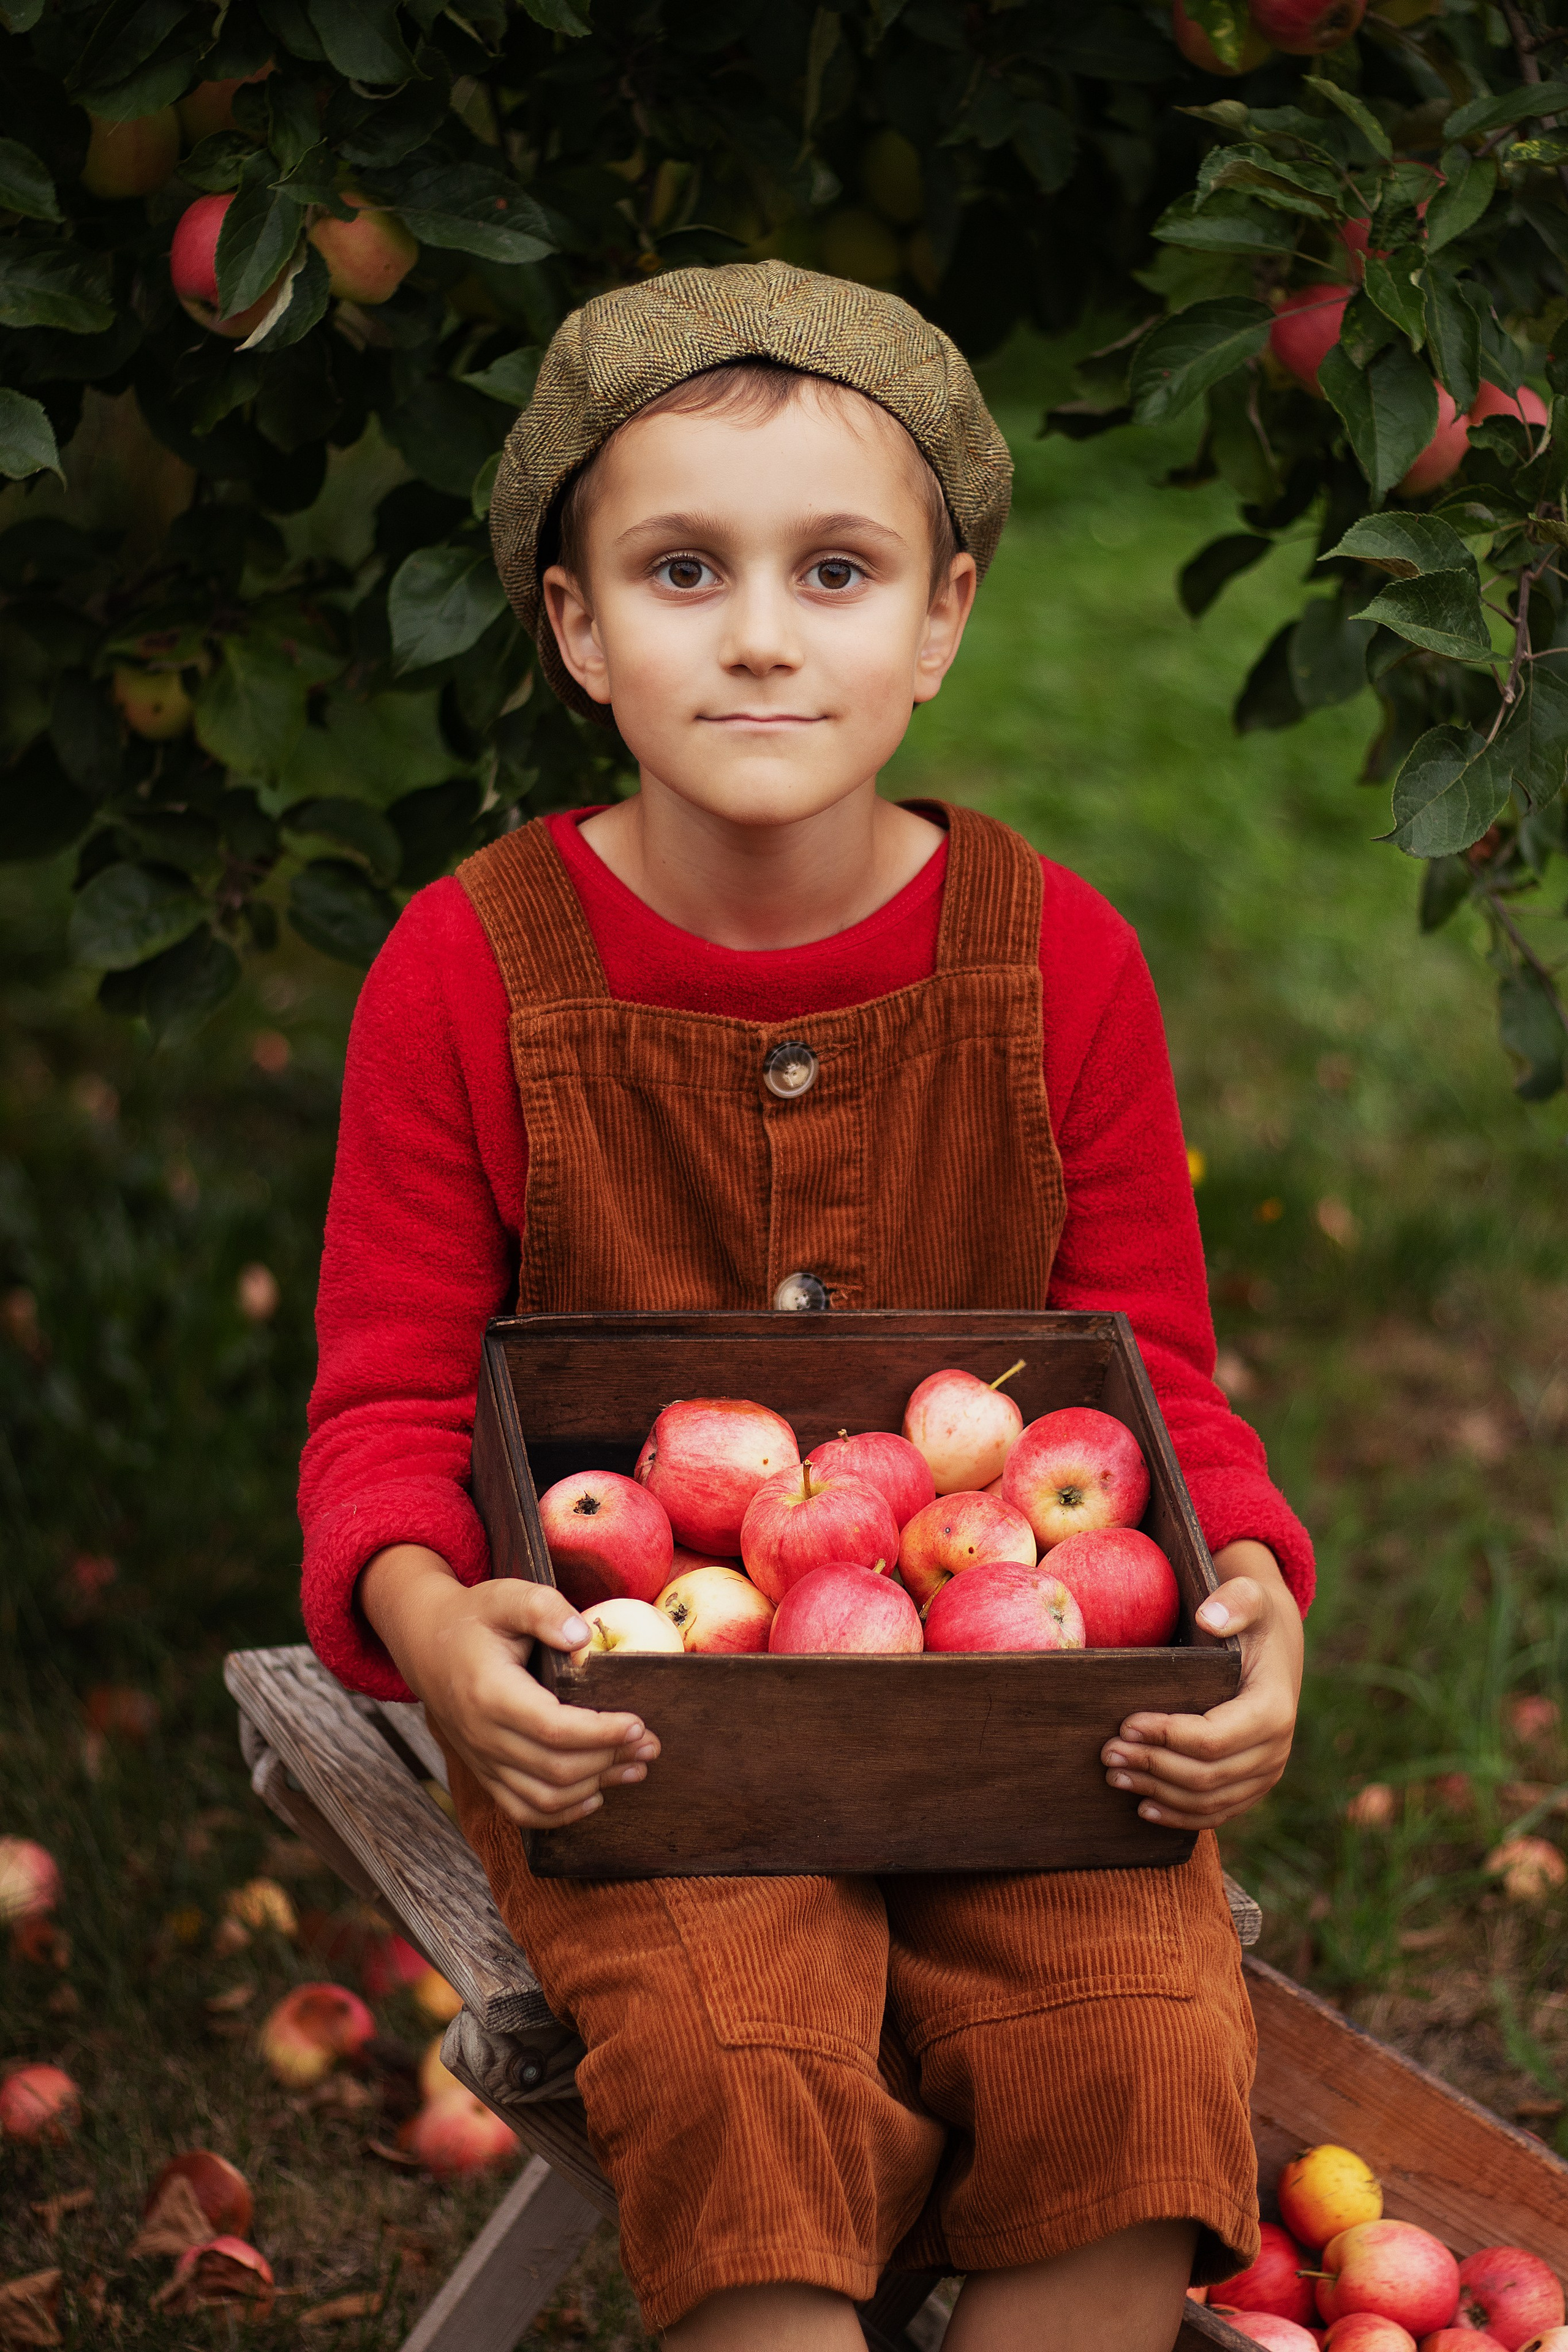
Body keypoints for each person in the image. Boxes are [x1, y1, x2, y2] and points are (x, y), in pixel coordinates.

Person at [300, 260, 1312, 2352]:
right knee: (733, 2053)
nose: (761, 631)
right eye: (683, 569)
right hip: (644, 1726)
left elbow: (1155, 1378)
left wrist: (1256, 1595)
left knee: (1128, 2037)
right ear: (576, 625)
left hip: (1021, 1710)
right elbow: (391, 1397)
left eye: (835, 570)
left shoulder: (1066, 968)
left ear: (941, 616)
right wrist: (426, 1619)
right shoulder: (465, 970)